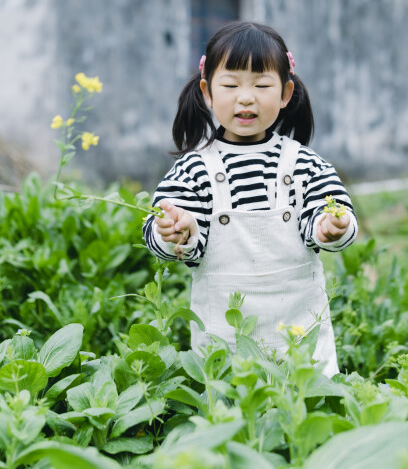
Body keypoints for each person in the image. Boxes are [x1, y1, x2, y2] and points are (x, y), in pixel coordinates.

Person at [142, 21, 358, 376]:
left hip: (300, 342)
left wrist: (331, 227)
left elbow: (330, 212)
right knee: (234, 415)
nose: (246, 97)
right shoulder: (194, 169)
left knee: (304, 408)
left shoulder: (304, 163)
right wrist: (176, 231)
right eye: (230, 85)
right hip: (224, 343)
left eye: (262, 85)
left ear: (286, 93)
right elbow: (161, 233)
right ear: (207, 92)